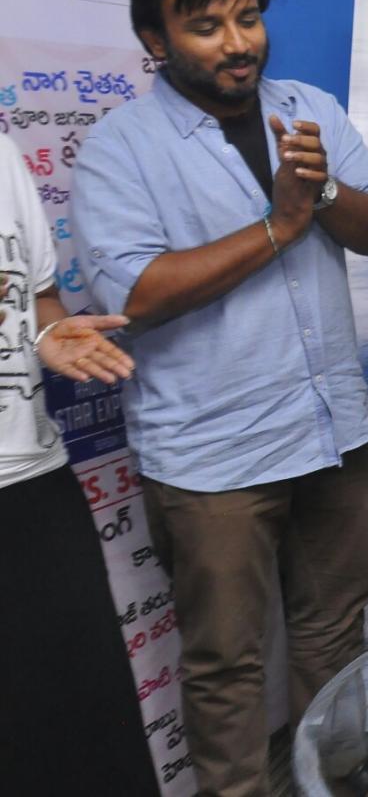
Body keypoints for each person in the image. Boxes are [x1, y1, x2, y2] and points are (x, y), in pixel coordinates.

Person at [72, 0, 368, 797]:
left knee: (334, 631)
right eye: (206, 26)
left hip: (330, 431)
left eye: (248, 18)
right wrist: (279, 225)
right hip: (211, 456)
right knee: (226, 661)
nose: (238, 42)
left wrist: (322, 193)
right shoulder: (119, 147)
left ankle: (332, 781)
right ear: (155, 38)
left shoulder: (308, 109)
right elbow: (136, 291)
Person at [0, 138, 157, 796]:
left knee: (85, 742)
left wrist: (46, 333)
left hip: (34, 482)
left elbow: (37, 298)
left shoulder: (3, 154)